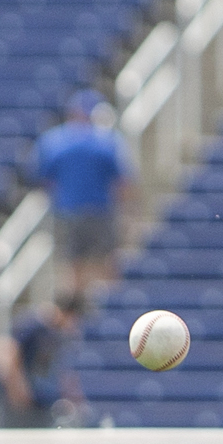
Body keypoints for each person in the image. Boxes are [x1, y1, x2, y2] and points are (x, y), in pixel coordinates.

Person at [32, 91, 134, 302]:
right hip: (100, 209)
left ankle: (74, 310)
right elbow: (122, 182)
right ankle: (108, 307)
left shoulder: (53, 140)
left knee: (73, 265)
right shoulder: (106, 140)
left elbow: (42, 178)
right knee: (106, 262)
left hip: (68, 210)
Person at [0, 290, 86, 428]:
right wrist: (16, 386)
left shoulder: (54, 332)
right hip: (13, 390)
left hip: (30, 387)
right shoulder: (35, 323)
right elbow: (6, 349)